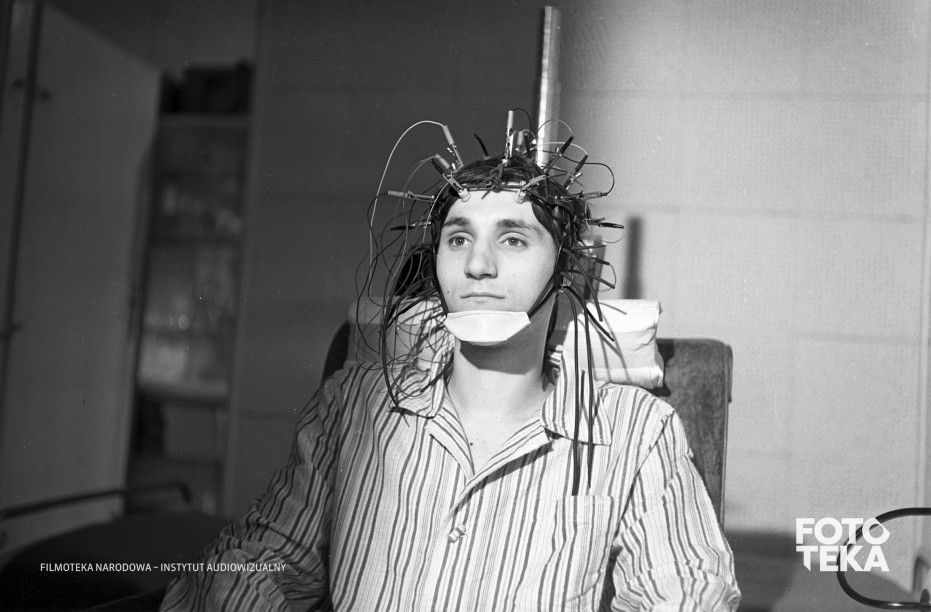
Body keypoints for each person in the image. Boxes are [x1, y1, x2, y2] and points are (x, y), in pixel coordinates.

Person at [160, 118, 740, 611]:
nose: (477, 265)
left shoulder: (635, 434)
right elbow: (261, 562)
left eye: (513, 240)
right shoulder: (352, 406)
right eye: (459, 239)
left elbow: (687, 592)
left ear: (566, 273)